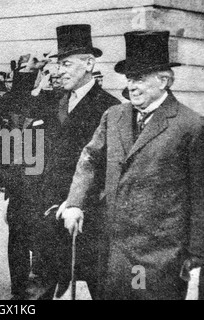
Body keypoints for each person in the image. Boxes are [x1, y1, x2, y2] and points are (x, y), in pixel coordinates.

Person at [59, 30, 204, 300]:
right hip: (113, 248)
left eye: (139, 78)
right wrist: (75, 202)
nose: (132, 86)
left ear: (164, 80)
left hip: (160, 254)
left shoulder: (190, 126)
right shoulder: (114, 115)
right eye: (129, 79)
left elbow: (200, 194)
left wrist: (196, 255)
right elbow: (90, 158)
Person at [24, 24, 120, 300]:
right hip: (48, 213)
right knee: (39, 285)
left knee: (95, 286)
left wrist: (78, 202)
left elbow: (108, 167)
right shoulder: (53, 102)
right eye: (57, 64)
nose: (58, 71)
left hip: (85, 218)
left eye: (65, 64)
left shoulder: (110, 108)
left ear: (89, 64)